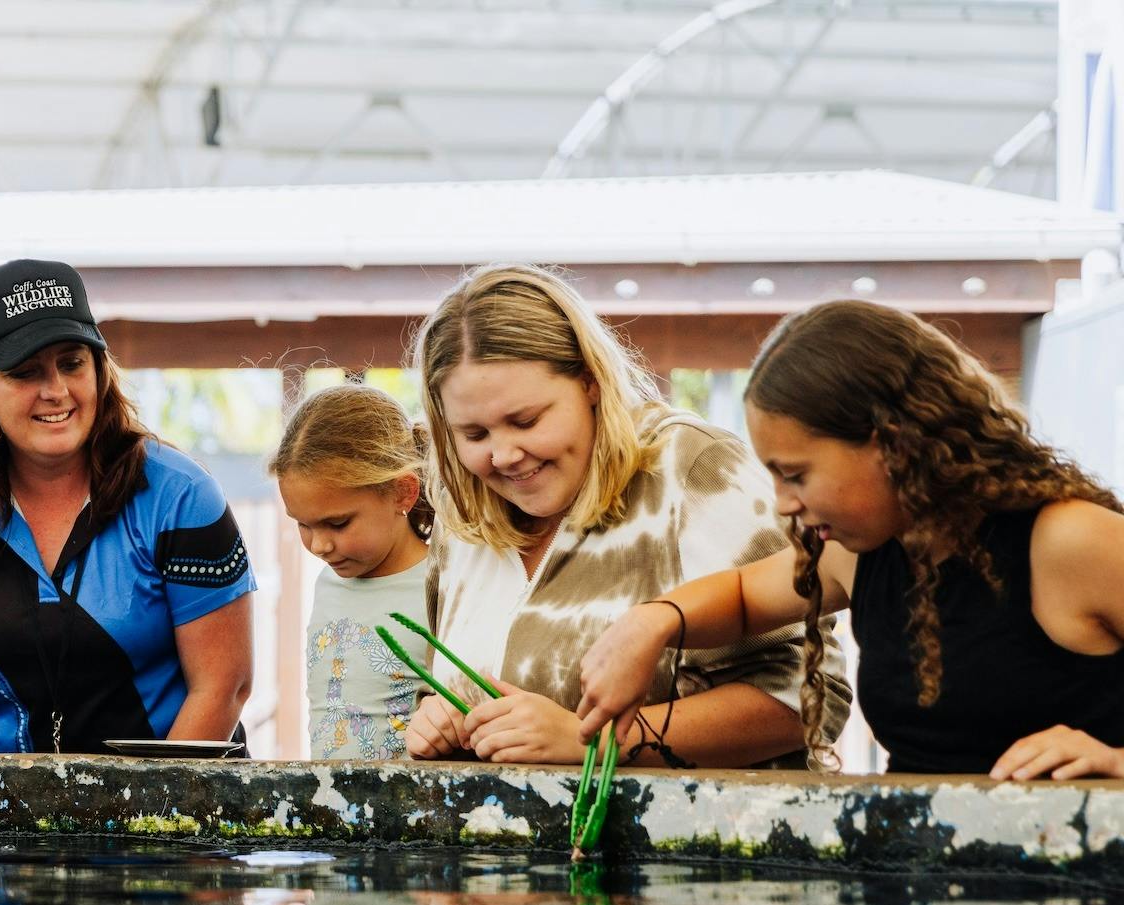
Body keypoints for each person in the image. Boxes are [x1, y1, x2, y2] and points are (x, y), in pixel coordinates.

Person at [577, 299, 1124, 779]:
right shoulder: (867, 552)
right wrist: (651, 622)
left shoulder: (1068, 540)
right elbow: (744, 599)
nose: (784, 502)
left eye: (795, 474)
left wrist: (1115, 759)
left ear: (893, 444)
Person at [405, 263, 849, 768]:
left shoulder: (694, 468)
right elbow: (445, 679)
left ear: (591, 383)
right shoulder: (461, 508)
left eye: (525, 420)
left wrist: (594, 741)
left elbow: (811, 698)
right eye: (474, 435)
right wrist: (436, 715)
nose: (503, 455)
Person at [0, 258, 256, 753]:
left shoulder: (180, 495)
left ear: (100, 370)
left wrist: (146, 821)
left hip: (178, 809)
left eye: (72, 362)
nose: (56, 390)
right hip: (13, 818)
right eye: (24, 372)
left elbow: (223, 687)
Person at [270, 383, 434, 760]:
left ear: (402, 492)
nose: (319, 546)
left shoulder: (440, 588)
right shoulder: (329, 581)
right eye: (303, 525)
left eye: (338, 523)